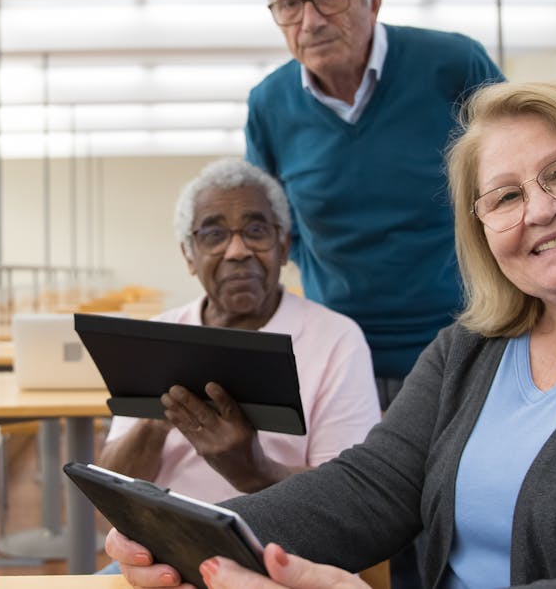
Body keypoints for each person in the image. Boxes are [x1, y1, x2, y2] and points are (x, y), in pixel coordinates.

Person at [104, 81, 556, 589]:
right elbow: (368, 487)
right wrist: (188, 537)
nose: (543, 209)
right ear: (483, 229)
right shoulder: (473, 346)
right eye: (506, 196)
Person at [245, 0, 504, 411]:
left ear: (374, 0)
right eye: (289, 3)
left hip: (469, 340)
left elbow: (518, 175)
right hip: (340, 356)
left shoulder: (454, 64)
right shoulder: (268, 104)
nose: (311, 20)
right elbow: (274, 223)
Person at [97, 157, 381, 516]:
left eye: (256, 231)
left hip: (283, 555)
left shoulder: (337, 340)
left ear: (283, 246)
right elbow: (110, 496)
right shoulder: (158, 336)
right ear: (189, 255)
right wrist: (158, 418)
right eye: (214, 235)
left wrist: (253, 469)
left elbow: (348, 498)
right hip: (163, 550)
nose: (237, 251)